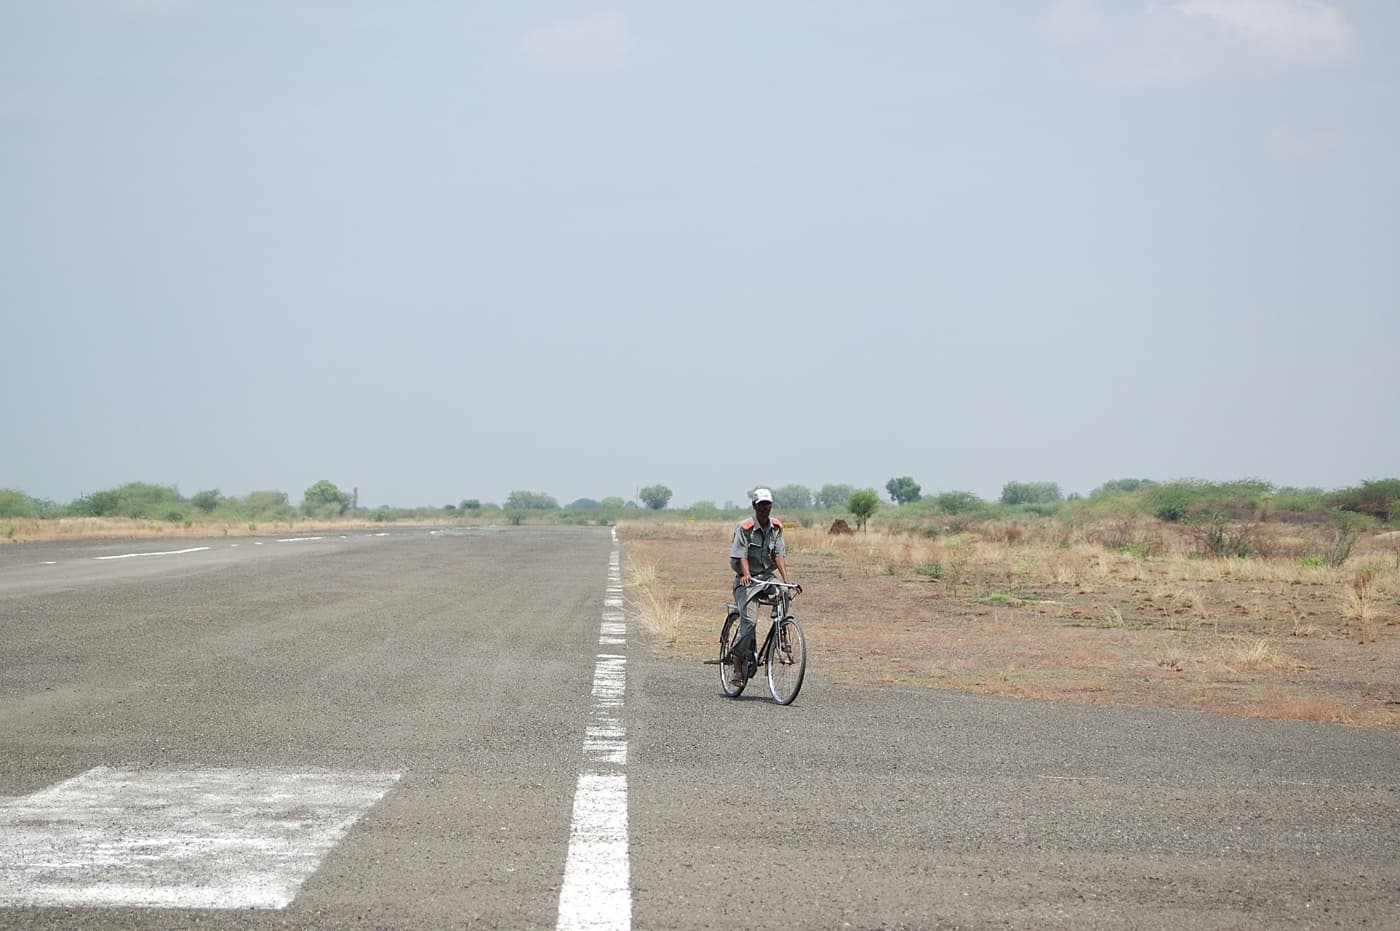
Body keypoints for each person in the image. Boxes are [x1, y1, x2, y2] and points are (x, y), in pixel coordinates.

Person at [727, 487, 797, 686]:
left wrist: (786, 579)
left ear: (771, 506)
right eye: (761, 505)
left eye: (767, 505)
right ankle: (738, 663)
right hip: (746, 579)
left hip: (766, 577)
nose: (764, 508)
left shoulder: (776, 528)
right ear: (754, 506)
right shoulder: (745, 527)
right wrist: (747, 575)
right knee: (749, 622)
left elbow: (779, 554)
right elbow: (741, 555)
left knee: (783, 592)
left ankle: (781, 630)